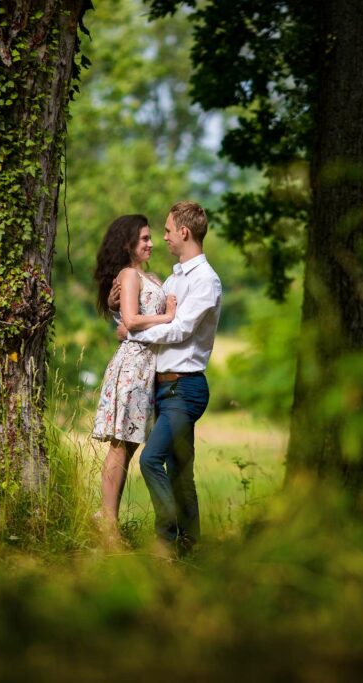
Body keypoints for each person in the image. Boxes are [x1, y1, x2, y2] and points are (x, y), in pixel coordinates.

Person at [111, 200, 221, 554]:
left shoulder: (206, 281)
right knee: (179, 469)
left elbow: (180, 330)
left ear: (184, 232)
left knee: (150, 460)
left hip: (185, 388)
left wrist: (134, 333)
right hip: (162, 387)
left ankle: (166, 542)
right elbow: (146, 318)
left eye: (168, 230)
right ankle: (191, 545)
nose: (164, 237)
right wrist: (122, 316)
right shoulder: (174, 277)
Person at [91, 214, 177, 544]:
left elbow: (130, 322)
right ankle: (108, 525)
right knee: (119, 446)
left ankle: (108, 520)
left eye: (151, 237)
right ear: (128, 244)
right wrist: (166, 317)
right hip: (133, 367)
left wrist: (142, 324)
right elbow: (129, 318)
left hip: (146, 367)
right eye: (144, 238)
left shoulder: (150, 275)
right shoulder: (128, 274)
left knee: (127, 445)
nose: (151, 243)